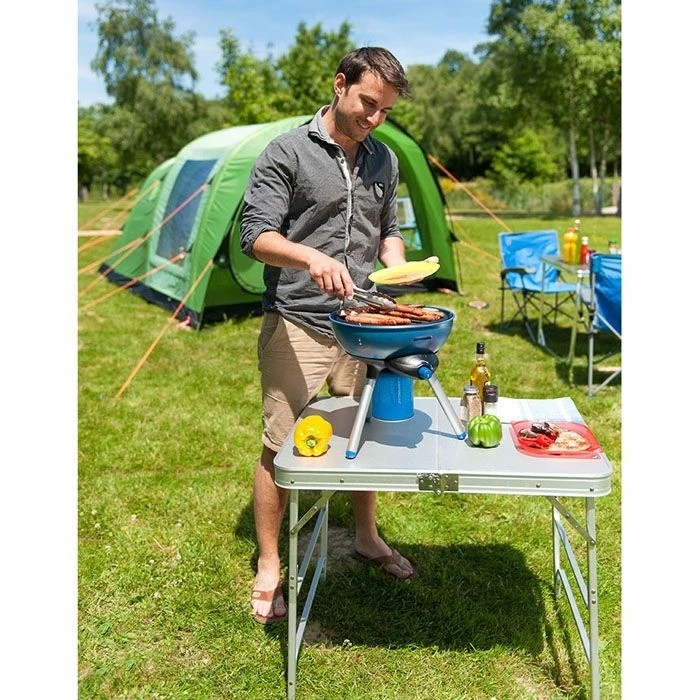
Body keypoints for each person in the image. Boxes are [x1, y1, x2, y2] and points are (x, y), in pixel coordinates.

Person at [240, 46, 415, 625]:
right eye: (368, 103)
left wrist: (395, 265)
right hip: (299, 320)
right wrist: (310, 257)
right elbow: (255, 236)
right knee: (279, 444)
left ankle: (365, 535)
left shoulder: (384, 160)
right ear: (340, 85)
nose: (375, 118)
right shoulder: (286, 152)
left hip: (364, 323)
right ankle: (270, 562)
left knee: (363, 434)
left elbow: (388, 230)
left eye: (386, 110)